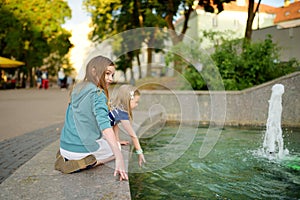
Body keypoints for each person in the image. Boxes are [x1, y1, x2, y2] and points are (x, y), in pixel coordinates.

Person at [54, 55, 128, 181]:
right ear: (94, 71)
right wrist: (119, 157)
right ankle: (92, 162)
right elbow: (104, 126)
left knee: (107, 142)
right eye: (107, 74)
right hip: (81, 151)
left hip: (65, 147)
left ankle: (65, 158)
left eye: (112, 75)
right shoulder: (98, 93)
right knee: (117, 149)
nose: (110, 79)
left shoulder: (77, 88)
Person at [109, 85, 146, 167]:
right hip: (98, 135)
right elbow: (133, 136)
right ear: (128, 100)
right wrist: (140, 152)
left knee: (117, 146)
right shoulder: (122, 114)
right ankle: (98, 161)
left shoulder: (117, 108)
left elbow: (114, 124)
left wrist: (117, 141)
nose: (137, 105)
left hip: (100, 132)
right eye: (136, 102)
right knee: (116, 152)